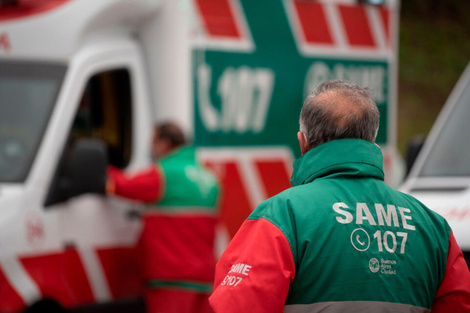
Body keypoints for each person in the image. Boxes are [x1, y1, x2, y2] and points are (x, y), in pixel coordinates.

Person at [209, 80, 470, 312]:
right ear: (371, 141)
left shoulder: (282, 217)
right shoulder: (434, 227)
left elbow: (236, 305)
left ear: (303, 142)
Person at [107, 121, 220, 313]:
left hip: (171, 279)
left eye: (153, 141)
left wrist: (101, 168)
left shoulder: (163, 173)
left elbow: (122, 185)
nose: (151, 148)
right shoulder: (209, 179)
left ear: (164, 143)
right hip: (203, 278)